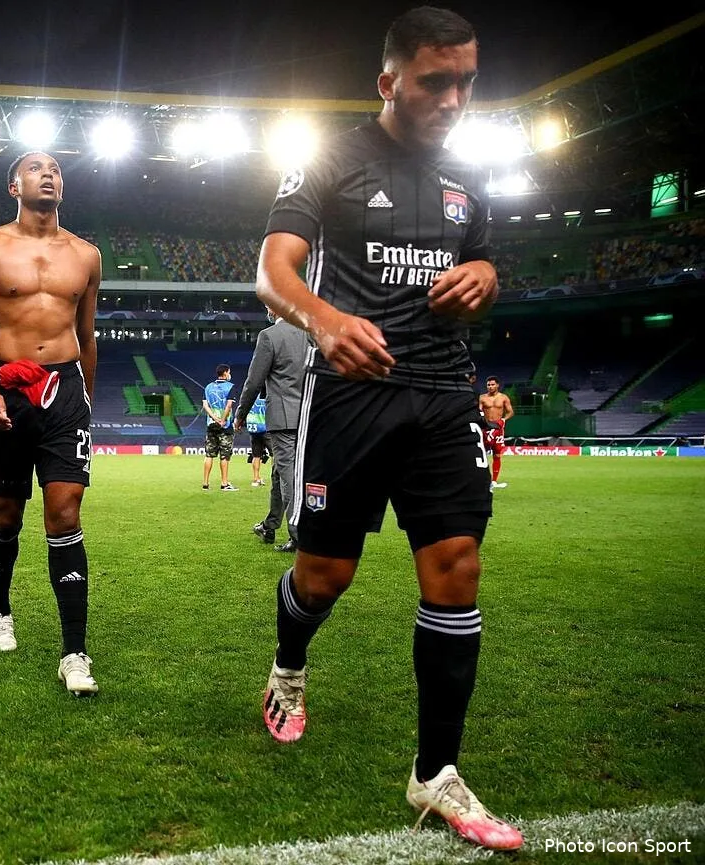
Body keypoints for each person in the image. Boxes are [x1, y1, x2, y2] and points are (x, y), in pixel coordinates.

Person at [253, 7, 521, 852]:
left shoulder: (471, 182)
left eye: (466, 81)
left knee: (456, 567)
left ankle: (436, 771)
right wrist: (324, 320)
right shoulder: (331, 160)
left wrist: (483, 273)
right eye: (435, 79)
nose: (452, 97)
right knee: (324, 577)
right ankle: (288, 668)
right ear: (388, 81)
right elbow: (273, 269)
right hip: (352, 396)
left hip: (444, 395)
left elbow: (487, 265)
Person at [0, 150, 102, 695]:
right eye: (38, 168)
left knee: (65, 513)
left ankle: (75, 654)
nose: (50, 174)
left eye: (58, 168)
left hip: (65, 392)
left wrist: (86, 395)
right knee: (6, 512)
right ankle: (0, 612)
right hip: (7, 391)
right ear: (13, 184)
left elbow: (87, 335)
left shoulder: (87, 255)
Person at [234, 308, 309, 552]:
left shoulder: (270, 336)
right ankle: (269, 526)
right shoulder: (311, 335)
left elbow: (254, 381)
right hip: (308, 416)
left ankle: (299, 536)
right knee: (279, 472)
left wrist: (241, 414)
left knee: (289, 477)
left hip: (283, 418)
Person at [201, 364, 238, 491]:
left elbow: (205, 406)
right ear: (226, 373)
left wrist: (214, 418)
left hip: (211, 425)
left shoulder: (208, 387)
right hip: (225, 426)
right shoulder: (230, 387)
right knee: (224, 455)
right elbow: (228, 406)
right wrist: (222, 420)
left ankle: (205, 484)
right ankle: (224, 483)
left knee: (209, 455)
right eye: (229, 372)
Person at [478, 376, 513, 489]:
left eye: (492, 384)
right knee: (481, 454)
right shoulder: (482, 398)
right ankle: (481, 479)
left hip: (498, 429)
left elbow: (510, 412)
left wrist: (503, 420)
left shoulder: (503, 398)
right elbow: (478, 411)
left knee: (497, 455)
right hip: (485, 428)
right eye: (488, 385)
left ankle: (494, 481)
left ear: (497, 385)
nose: (490, 387)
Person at [246, 395, 269, 487]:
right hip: (265, 427)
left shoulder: (250, 396)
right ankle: (277, 479)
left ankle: (256, 479)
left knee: (256, 455)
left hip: (254, 428)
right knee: (275, 454)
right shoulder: (267, 395)